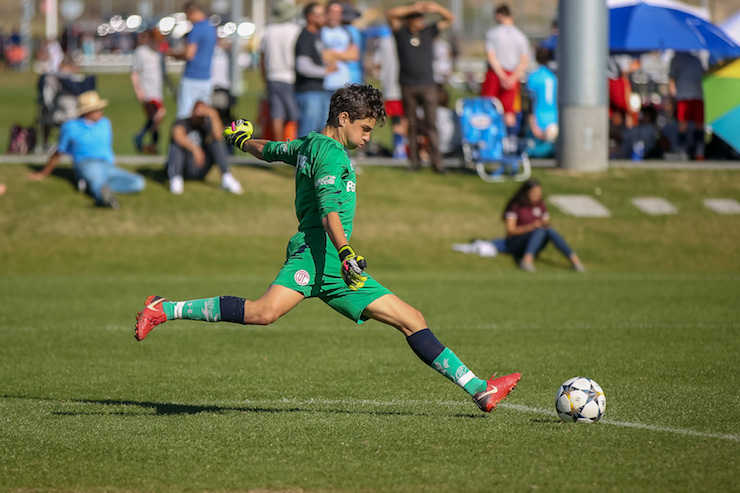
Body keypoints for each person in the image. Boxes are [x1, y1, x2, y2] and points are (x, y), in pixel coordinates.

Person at [134, 84, 521, 414]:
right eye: (365, 128)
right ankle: (164, 308)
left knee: (410, 317)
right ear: (343, 119)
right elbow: (328, 210)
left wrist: (242, 140)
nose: (368, 137)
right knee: (262, 312)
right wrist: (347, 251)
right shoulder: (332, 155)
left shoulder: (309, 144)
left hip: (334, 265)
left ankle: (479, 389)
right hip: (320, 254)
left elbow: (271, 150)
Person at [28, 91, 146, 209]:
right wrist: (44, 173)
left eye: (100, 108)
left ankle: (99, 187)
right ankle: (103, 198)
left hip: (107, 165)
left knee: (138, 183)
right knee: (96, 178)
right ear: (87, 112)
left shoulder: (105, 123)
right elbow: (59, 151)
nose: (100, 111)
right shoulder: (70, 127)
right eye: (96, 109)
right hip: (86, 163)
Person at [387, 1, 455, 173]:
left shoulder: (428, 32)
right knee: (411, 124)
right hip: (408, 85)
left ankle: (437, 164)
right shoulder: (401, 33)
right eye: (418, 18)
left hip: (428, 86)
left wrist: (436, 8)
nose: (421, 21)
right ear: (409, 20)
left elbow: (450, 18)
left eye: (422, 18)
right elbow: (391, 15)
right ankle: (414, 162)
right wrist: (414, 7)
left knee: (431, 124)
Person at [503, 179, 583, 272]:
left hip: (536, 240)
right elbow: (510, 230)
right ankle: (526, 260)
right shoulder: (516, 206)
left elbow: (546, 223)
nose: (537, 196)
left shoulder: (541, 205)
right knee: (539, 230)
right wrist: (531, 226)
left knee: (548, 230)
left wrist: (543, 224)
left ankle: (574, 260)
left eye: (538, 193)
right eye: (533, 193)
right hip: (516, 242)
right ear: (526, 192)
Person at [165, 101, 243, 195]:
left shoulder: (206, 125)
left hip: (201, 166)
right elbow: (177, 135)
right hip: (184, 165)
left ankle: (227, 178)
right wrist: (195, 149)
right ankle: (176, 179)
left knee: (216, 142)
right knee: (177, 144)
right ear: (192, 112)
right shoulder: (182, 122)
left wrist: (214, 115)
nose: (200, 117)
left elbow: (218, 136)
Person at [482, 4, 529, 146]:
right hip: (512, 76)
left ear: (498, 16)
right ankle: (510, 143)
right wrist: (513, 77)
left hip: (496, 74)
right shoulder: (520, 36)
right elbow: (524, 60)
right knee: (509, 112)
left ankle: (489, 143)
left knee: (489, 108)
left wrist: (502, 76)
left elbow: (491, 56)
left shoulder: (493, 33)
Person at [259, 2, 301, 141]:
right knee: (294, 114)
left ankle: (278, 147)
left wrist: (265, 76)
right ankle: (293, 144)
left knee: (276, 114)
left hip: (273, 76)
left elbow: (262, 57)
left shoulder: (268, 31)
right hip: (291, 76)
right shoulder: (295, 30)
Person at [169, 2, 217, 118]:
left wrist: (173, 54)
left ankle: (182, 136)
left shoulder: (196, 29)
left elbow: (189, 54)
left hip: (192, 76)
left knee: (185, 114)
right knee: (203, 114)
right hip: (206, 77)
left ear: (192, 12)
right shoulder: (211, 28)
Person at [295, 3, 336, 137]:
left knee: (319, 132)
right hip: (309, 92)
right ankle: (301, 158)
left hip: (318, 90)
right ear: (311, 17)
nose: (324, 18)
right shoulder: (306, 36)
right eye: (320, 15)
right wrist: (325, 70)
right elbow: (302, 66)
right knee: (308, 133)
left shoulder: (316, 35)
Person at [131, 28, 166, 154]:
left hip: (157, 91)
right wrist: (138, 91)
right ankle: (148, 141)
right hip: (147, 91)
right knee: (157, 115)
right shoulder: (141, 52)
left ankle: (146, 141)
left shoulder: (158, 54)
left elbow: (163, 73)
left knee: (156, 120)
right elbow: (135, 73)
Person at [669, 51, 705, 160]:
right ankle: (690, 151)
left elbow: (671, 79)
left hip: (692, 94)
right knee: (689, 123)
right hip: (690, 94)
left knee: (691, 124)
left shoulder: (696, 58)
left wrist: (672, 97)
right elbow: (672, 78)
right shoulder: (679, 59)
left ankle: (693, 151)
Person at [524, 47, 558, 158]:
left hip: (539, 119)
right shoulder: (555, 77)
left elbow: (530, 103)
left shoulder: (533, 77)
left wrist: (533, 125)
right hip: (555, 119)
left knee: (534, 151)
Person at [322, 1, 360, 100]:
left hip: (343, 83)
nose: (335, 16)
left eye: (338, 13)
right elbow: (321, 55)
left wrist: (331, 54)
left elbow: (354, 55)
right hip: (324, 84)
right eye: (332, 12)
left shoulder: (347, 32)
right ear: (326, 13)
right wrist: (343, 54)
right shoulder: (320, 31)